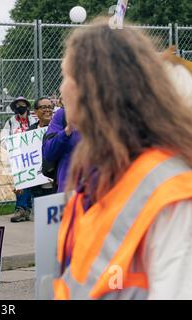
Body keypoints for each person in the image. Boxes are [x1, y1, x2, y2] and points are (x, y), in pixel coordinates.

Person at [53, 18, 192, 300]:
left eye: (65, 76)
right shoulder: (105, 175)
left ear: (91, 87)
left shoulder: (171, 189)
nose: (61, 89)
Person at [1, 96, 37, 222]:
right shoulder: (11, 122)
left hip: (31, 156)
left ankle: (27, 209)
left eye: (22, 105)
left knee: (32, 182)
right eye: (17, 105)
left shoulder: (33, 121)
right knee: (20, 183)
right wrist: (13, 147)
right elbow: (3, 138)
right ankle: (20, 208)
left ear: (27, 107)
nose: (19, 107)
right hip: (17, 156)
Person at [42, 103, 80, 192]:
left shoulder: (107, 112)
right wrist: (66, 131)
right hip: (69, 188)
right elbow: (48, 153)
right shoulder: (63, 114)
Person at [27, 97, 56, 199]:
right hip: (38, 187)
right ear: (35, 111)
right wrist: (19, 183)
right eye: (43, 107)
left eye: (50, 107)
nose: (47, 110)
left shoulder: (59, 129)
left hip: (56, 185)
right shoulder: (29, 133)